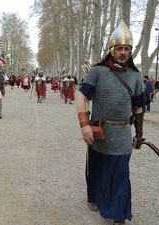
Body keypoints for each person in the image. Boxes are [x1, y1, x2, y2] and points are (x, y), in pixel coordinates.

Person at [77, 21, 145, 225]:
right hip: (99, 132)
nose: (123, 52)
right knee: (96, 170)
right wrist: (84, 125)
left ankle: (118, 215)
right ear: (111, 50)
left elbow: (139, 108)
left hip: (123, 135)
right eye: (119, 48)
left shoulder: (136, 76)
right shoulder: (97, 71)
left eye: (127, 48)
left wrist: (139, 134)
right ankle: (94, 196)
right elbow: (81, 97)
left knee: (121, 175)